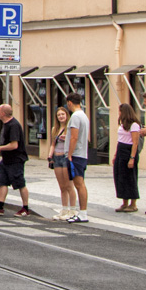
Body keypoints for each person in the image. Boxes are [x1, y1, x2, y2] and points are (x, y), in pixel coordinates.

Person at [0, 104, 31, 216]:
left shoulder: (13, 125)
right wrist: (0, 151)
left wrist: (0, 148)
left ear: (3, 113)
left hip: (16, 160)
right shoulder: (6, 124)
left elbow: (14, 145)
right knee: (3, 182)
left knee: (20, 183)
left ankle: (25, 208)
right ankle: (0, 206)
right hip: (6, 160)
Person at [64, 92, 91, 223]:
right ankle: (82, 212)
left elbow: (74, 137)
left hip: (76, 155)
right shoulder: (84, 116)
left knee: (79, 184)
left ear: (69, 102)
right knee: (79, 184)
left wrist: (69, 154)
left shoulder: (75, 117)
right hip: (81, 153)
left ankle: (83, 213)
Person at [113, 102, 142, 213]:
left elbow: (135, 143)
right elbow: (119, 140)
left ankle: (133, 203)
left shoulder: (134, 125)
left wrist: (132, 158)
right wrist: (116, 154)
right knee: (120, 177)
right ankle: (124, 201)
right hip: (121, 150)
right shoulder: (121, 125)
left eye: (120, 111)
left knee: (130, 177)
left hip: (129, 150)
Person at [49, 107, 76, 220]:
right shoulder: (55, 129)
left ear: (67, 116)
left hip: (66, 157)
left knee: (69, 185)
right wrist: (50, 156)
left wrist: (67, 139)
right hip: (57, 157)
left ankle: (72, 210)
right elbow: (53, 144)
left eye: (63, 114)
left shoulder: (70, 128)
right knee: (62, 186)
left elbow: (75, 141)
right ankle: (64, 209)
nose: (61, 116)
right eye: (59, 115)